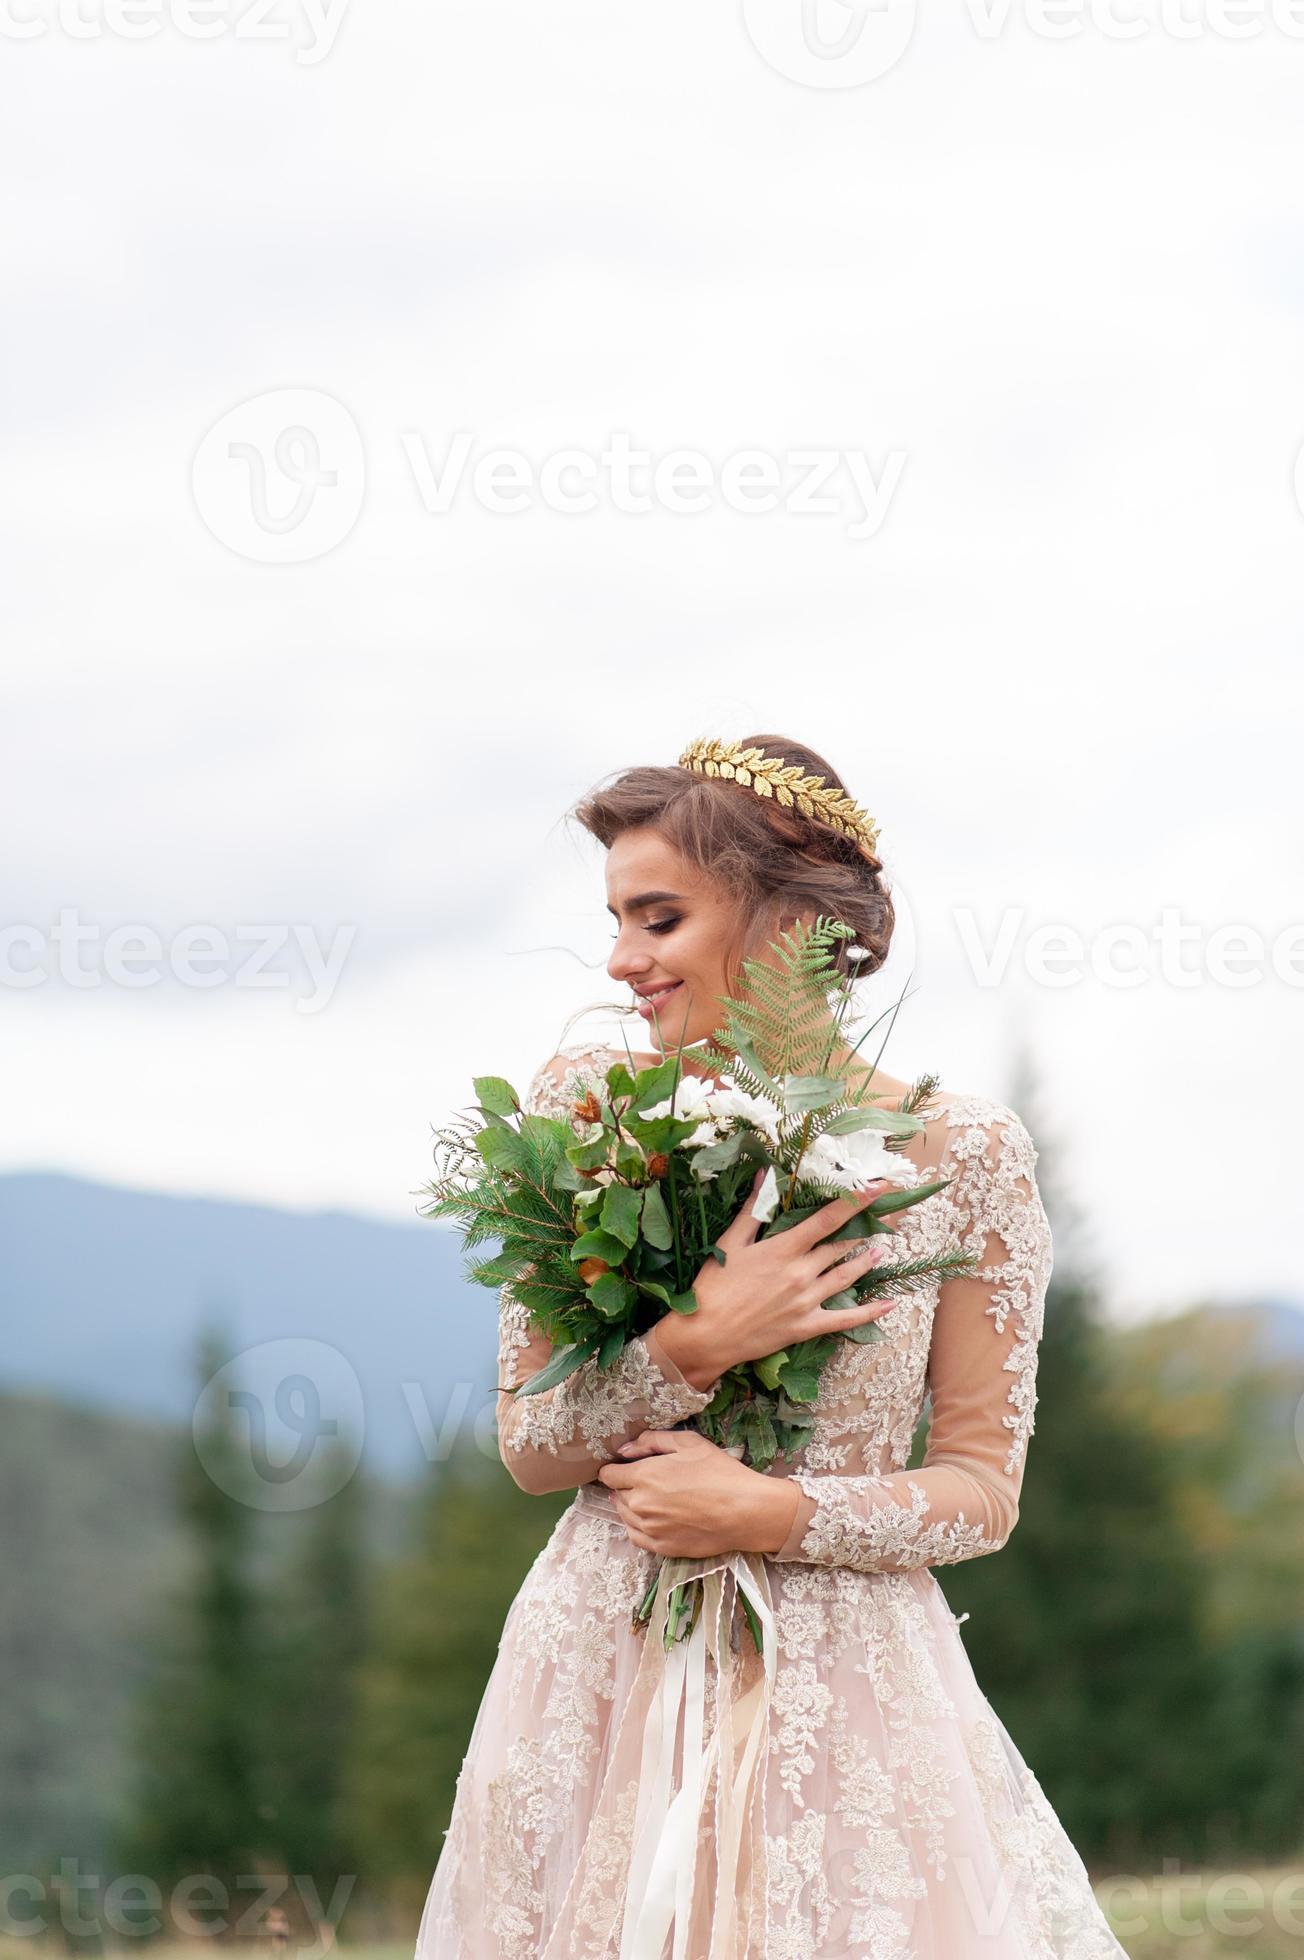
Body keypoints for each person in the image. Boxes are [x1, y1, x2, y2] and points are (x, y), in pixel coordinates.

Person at [415, 735, 1128, 1959]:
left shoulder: (962, 1156)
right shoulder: (581, 1106)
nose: (620, 959)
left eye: (658, 917)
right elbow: (534, 1445)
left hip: (844, 1694)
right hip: (602, 1666)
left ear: (790, 917)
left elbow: (979, 1492)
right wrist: (692, 1342)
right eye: (616, 919)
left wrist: (770, 1513)